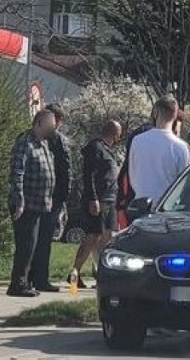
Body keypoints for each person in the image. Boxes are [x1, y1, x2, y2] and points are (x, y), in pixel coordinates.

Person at [7, 109, 57, 297]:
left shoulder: (44, 144)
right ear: (38, 123)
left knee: (34, 245)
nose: (52, 128)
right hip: (26, 204)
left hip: (41, 204)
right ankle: (18, 284)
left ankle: (27, 281)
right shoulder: (25, 143)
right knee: (26, 245)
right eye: (49, 124)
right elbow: (17, 172)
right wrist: (19, 200)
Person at [68, 120, 122, 289]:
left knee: (108, 237)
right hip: (98, 200)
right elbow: (88, 175)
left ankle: (104, 274)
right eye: (119, 133)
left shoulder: (108, 150)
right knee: (93, 236)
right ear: (114, 132)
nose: (120, 137)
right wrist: (93, 198)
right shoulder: (95, 148)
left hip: (110, 199)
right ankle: (74, 273)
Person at [116, 109, 186, 229]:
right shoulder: (176, 147)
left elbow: (128, 171)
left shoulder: (139, 138)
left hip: (136, 204)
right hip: (158, 208)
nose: (177, 133)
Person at [27, 103, 71, 293]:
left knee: (34, 238)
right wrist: (64, 195)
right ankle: (40, 279)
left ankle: (29, 276)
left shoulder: (37, 138)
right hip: (53, 195)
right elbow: (65, 168)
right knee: (44, 239)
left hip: (39, 194)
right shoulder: (57, 139)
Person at [129, 95, 190, 204]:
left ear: (155, 113)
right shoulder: (181, 147)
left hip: (141, 205)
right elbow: (185, 183)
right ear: (175, 115)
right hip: (168, 208)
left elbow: (132, 176)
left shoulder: (137, 141)